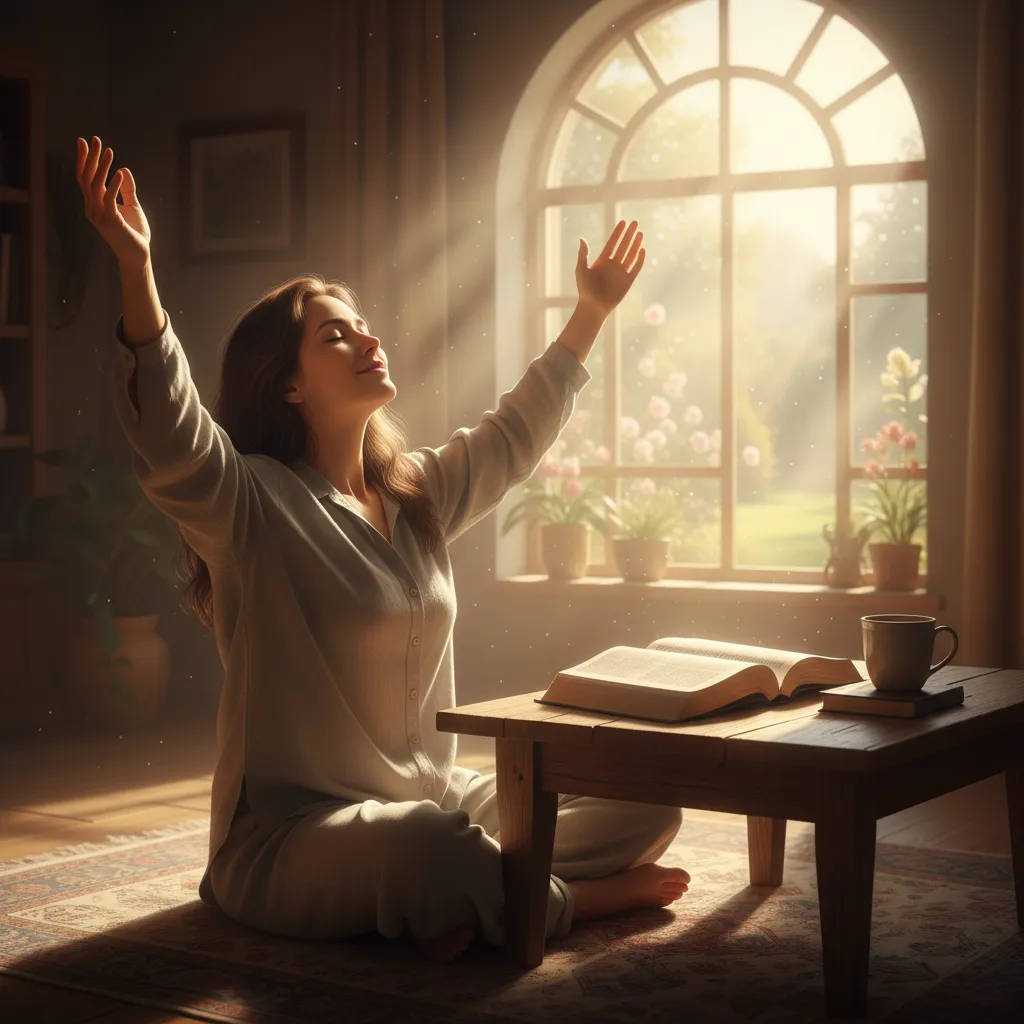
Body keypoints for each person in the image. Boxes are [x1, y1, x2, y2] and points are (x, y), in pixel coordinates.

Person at [76, 135, 689, 964]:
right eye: (335, 336)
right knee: (426, 849)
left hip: (441, 800)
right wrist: (136, 270)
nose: (368, 341)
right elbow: (173, 436)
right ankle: (558, 902)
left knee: (648, 800)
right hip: (297, 840)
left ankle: (464, 899)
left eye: (364, 327)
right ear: (287, 383)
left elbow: (514, 435)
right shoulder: (247, 500)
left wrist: (592, 311)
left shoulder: (418, 492)